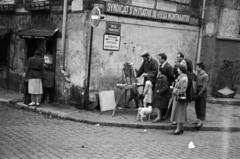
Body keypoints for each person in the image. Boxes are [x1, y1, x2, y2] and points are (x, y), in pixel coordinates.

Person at [170, 64, 188, 135]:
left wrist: (174, 90)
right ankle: (180, 128)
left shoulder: (184, 79)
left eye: (178, 69)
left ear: (181, 70)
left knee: (179, 113)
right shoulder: (181, 77)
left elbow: (183, 90)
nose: (177, 70)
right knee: (178, 113)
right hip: (177, 97)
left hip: (180, 97)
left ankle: (178, 129)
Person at [193, 62, 209, 127]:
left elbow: (204, 86)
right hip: (197, 91)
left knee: (201, 106)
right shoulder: (198, 74)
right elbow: (196, 83)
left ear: (200, 67)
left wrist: (199, 94)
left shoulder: (205, 75)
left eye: (197, 67)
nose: (196, 68)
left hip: (202, 92)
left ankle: (201, 121)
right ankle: (198, 119)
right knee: (197, 106)